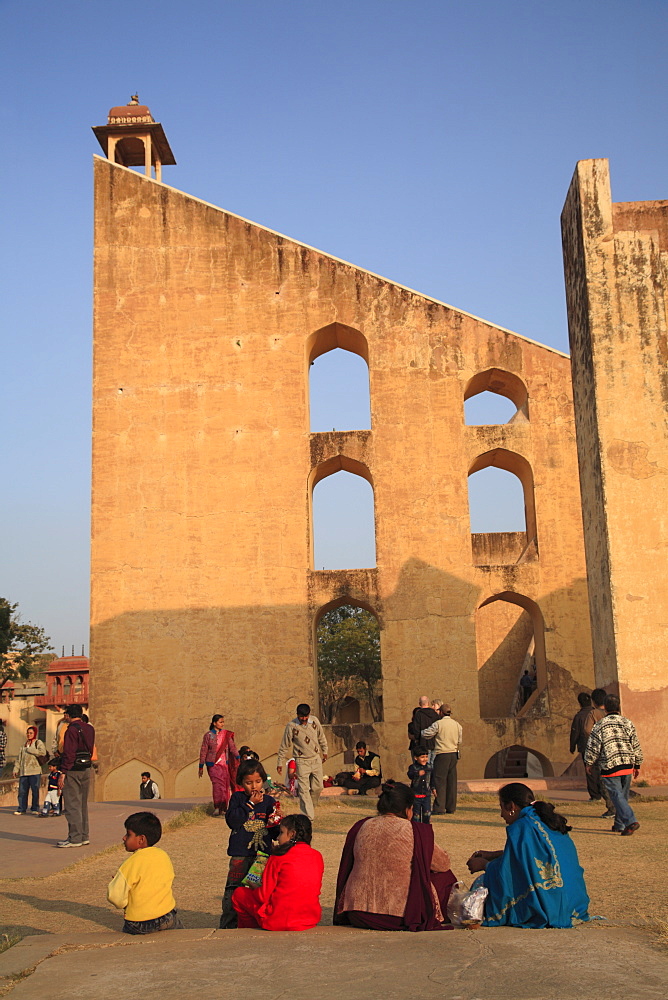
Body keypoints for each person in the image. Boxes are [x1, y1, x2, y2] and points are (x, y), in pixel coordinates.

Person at [334, 780, 457, 931]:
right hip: (398, 916)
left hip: (357, 913)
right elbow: (443, 864)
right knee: (445, 877)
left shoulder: (362, 826)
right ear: (408, 809)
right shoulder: (413, 830)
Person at [466, 782, 590, 928]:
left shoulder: (522, 827)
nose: (501, 815)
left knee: (482, 883)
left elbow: (511, 871)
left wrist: (485, 865)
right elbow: (529, 856)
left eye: (502, 808)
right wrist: (493, 855)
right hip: (574, 904)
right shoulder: (545, 819)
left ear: (511, 807)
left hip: (550, 906)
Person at [232, 814, 324, 931]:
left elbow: (263, 896)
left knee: (239, 894)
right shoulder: (317, 856)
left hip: (280, 920)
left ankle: (251, 931)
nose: (277, 838)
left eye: (281, 832)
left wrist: (255, 887)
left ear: (292, 834)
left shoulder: (279, 856)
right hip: (309, 919)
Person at [220, 759, 282, 928]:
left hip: (261, 857)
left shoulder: (269, 802)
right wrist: (250, 804)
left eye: (258, 781)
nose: (254, 787)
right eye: (249, 783)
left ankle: (255, 923)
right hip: (240, 854)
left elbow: (275, 832)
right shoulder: (237, 799)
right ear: (241, 783)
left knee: (258, 891)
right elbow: (233, 821)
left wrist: (278, 819)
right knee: (233, 889)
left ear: (263, 781)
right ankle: (228, 925)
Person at [107, 811, 183, 934]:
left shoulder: (131, 863)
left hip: (140, 923)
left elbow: (115, 896)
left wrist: (125, 902)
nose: (124, 838)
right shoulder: (163, 856)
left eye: (128, 834)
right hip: (167, 915)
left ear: (141, 839)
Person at [584, 694, 643, 836]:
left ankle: (630, 821)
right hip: (628, 763)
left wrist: (589, 762)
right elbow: (635, 743)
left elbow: (593, 746)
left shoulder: (600, 725)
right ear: (618, 707)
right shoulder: (627, 723)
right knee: (622, 795)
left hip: (610, 764)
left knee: (616, 796)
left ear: (605, 709)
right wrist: (638, 764)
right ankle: (619, 824)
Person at [276, 703, 328, 820]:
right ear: (297, 715)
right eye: (301, 717)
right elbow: (284, 745)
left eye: (306, 716)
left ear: (309, 715)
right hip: (301, 760)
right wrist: (280, 762)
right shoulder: (291, 726)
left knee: (318, 787)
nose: (304, 719)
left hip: (315, 759)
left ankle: (310, 807)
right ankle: (309, 817)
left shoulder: (314, 721)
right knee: (304, 790)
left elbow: (321, 737)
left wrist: (325, 751)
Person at [57, 703, 95, 847]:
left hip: (73, 769)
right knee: (82, 804)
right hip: (85, 767)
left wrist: (63, 772)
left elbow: (69, 753)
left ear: (68, 715)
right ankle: (84, 836)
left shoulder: (71, 730)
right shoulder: (89, 728)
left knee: (72, 804)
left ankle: (75, 838)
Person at [421, 704, 462, 814]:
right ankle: (451, 807)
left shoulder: (438, 724)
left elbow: (427, 734)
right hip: (453, 754)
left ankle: (439, 807)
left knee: (440, 781)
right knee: (451, 781)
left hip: (442, 753)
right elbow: (459, 740)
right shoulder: (457, 724)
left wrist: (420, 732)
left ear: (441, 713)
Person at [198, 713, 239, 816]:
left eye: (223, 722)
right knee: (217, 785)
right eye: (220, 722)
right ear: (214, 723)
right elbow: (204, 750)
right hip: (212, 764)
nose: (222, 724)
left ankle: (224, 807)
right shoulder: (208, 735)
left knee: (225, 786)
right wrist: (201, 765)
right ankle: (217, 807)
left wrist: (238, 758)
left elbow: (232, 748)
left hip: (224, 764)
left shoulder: (226, 735)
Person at [569, 692, 602, 800]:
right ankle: (602, 792)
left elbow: (575, 732)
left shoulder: (580, 716)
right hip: (600, 746)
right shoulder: (597, 713)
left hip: (586, 746)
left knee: (590, 771)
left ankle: (595, 795)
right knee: (600, 769)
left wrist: (572, 746)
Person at [588, 688, 615, 818]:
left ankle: (612, 809)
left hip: (602, 753)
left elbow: (587, 731)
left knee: (604, 782)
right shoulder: (616, 716)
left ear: (593, 701)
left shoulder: (594, 714)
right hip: (617, 752)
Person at [13, 725, 47, 815]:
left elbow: (42, 752)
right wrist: (16, 769)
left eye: (31, 733)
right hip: (24, 772)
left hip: (35, 771)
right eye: (28, 733)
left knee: (35, 790)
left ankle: (35, 808)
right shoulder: (23, 745)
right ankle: (21, 808)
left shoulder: (38, 743)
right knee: (22, 791)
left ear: (34, 733)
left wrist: (30, 749)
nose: (29, 735)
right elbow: (19, 759)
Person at [407, 747, 432, 823]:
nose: (425, 759)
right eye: (422, 757)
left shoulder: (429, 767)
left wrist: (434, 788)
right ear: (415, 758)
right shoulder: (413, 767)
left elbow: (432, 779)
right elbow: (410, 775)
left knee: (427, 814)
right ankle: (417, 830)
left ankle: (425, 829)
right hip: (416, 796)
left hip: (426, 795)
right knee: (416, 816)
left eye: (426, 757)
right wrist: (417, 773)